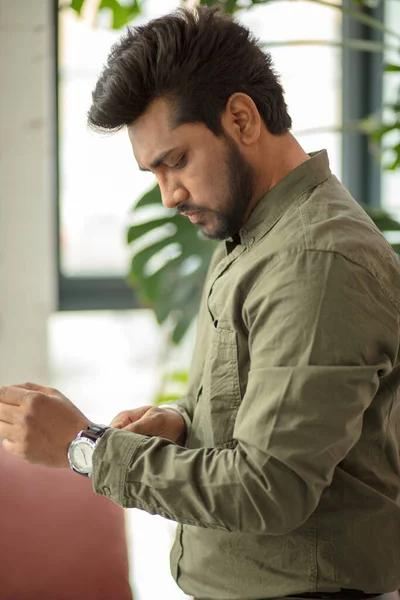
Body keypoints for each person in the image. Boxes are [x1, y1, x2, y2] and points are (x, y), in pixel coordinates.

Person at [0, 6, 399, 600]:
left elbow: (270, 488)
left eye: (176, 161)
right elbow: (257, 404)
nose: (168, 196)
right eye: (153, 173)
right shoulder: (252, 230)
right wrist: (184, 421)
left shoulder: (316, 258)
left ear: (241, 117)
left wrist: (85, 449)